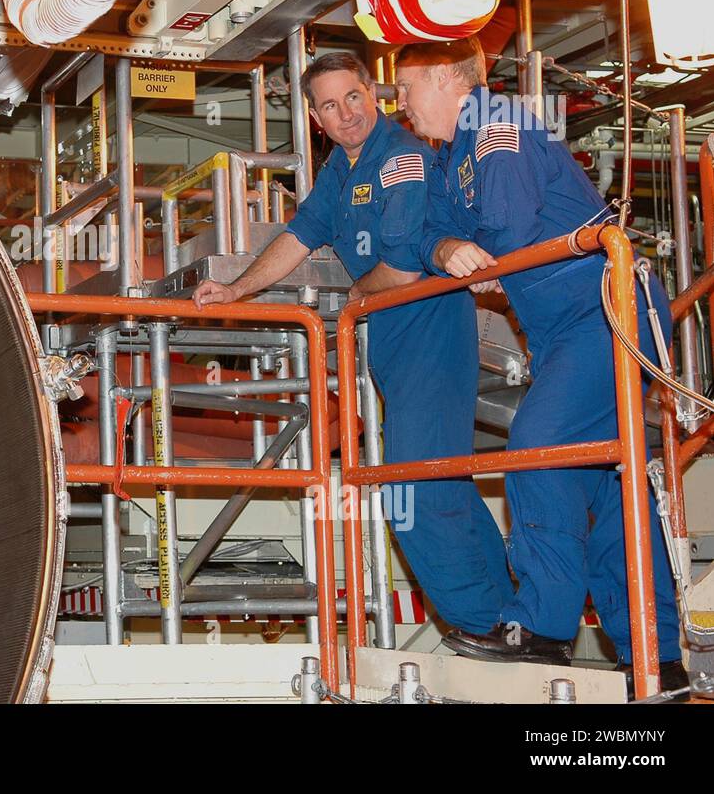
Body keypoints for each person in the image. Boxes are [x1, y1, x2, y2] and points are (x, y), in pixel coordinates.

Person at [193, 52, 514, 637]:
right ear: (316, 118)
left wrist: (349, 305)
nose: (346, 114)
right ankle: (512, 619)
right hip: (395, 340)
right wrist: (237, 291)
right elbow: (299, 234)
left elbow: (402, 271)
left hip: (429, 327)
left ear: (374, 94)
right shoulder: (341, 171)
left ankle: (483, 627)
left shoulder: (402, 158)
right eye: (330, 106)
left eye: (353, 98)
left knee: (412, 488)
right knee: (444, 480)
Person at [396, 37, 683, 682]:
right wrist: (447, 249)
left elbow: (508, 221)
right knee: (609, 486)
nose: (403, 105)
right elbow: (429, 231)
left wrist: (481, 256)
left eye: (407, 88)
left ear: (445, 76)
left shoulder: (498, 124)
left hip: (605, 314)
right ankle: (657, 659)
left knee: (538, 445)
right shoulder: (452, 156)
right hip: (564, 331)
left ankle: (544, 626)